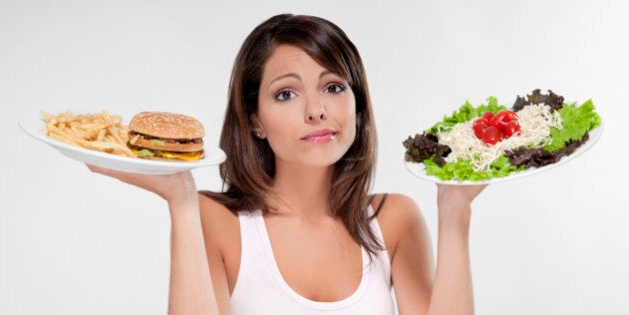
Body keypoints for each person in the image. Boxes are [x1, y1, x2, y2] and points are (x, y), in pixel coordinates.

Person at [89, 13, 486, 315]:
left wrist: (455, 210)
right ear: (255, 119)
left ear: (358, 104)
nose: (316, 111)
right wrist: (181, 200)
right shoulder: (216, 221)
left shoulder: (394, 219)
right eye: (286, 94)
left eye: (333, 87)